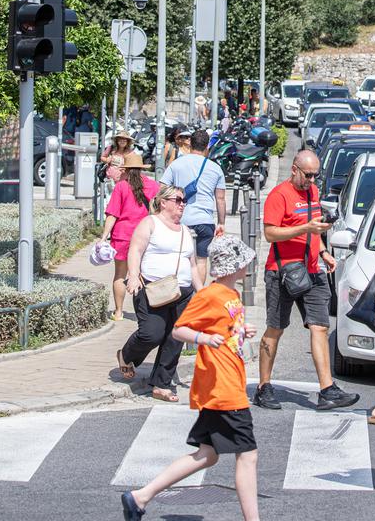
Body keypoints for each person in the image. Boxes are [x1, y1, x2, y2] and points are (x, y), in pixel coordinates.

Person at [120, 236, 259, 521]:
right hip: (224, 387)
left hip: (225, 382)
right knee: (248, 455)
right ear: (232, 266)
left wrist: (243, 331)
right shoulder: (211, 295)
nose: (247, 264)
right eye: (243, 261)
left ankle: (140, 497)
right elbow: (179, 330)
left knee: (207, 455)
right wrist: (204, 338)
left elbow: (228, 330)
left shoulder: (232, 295)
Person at [253, 148, 359, 412]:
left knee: (320, 327)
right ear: (294, 169)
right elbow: (270, 234)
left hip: (312, 269)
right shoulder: (280, 195)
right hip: (283, 271)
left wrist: (323, 251)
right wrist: (305, 228)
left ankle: (327, 390)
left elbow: (314, 228)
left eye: (315, 175)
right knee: (275, 329)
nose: (312, 180)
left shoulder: (313, 192)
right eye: (307, 175)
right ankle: (263, 387)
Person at [117, 185, 202, 402]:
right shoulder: (150, 223)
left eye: (184, 201)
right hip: (153, 288)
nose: (182, 204)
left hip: (182, 291)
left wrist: (201, 291)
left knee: (175, 338)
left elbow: (191, 264)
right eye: (178, 200)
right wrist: (133, 275)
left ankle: (161, 384)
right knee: (151, 333)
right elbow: (135, 250)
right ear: (163, 202)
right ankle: (127, 355)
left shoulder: (184, 230)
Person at [161, 128, 226, 283]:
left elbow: (162, 189)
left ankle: (178, 292)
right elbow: (221, 199)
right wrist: (221, 223)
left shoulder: (176, 165)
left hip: (179, 219)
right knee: (201, 260)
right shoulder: (215, 168)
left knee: (178, 257)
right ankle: (198, 297)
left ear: (190, 146)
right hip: (204, 221)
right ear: (207, 148)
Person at [102, 153, 160, 321]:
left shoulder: (121, 186)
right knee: (142, 274)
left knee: (120, 275)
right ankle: (145, 314)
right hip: (145, 236)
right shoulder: (153, 186)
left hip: (122, 236)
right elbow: (157, 211)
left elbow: (112, 214)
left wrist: (103, 236)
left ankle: (119, 312)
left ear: (125, 169)